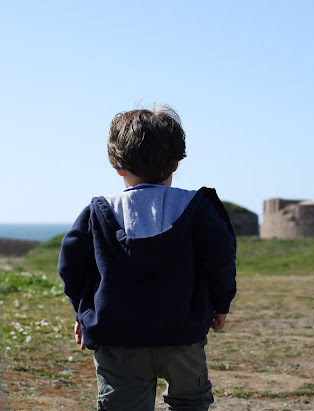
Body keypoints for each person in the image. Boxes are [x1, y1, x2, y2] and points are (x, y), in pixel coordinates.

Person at [58, 105, 237, 411]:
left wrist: (82, 312)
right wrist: (220, 305)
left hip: (117, 338)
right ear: (176, 163)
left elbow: (72, 268)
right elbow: (220, 259)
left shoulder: (98, 212)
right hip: (182, 334)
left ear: (118, 166)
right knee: (190, 401)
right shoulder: (197, 206)